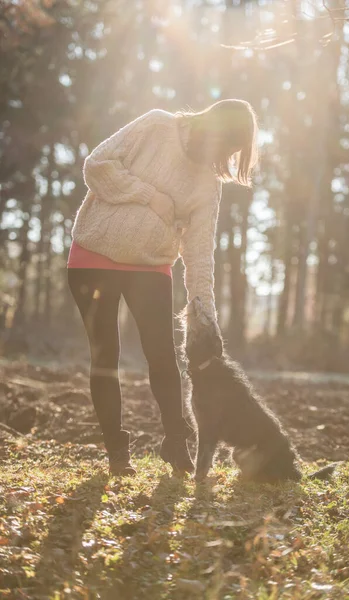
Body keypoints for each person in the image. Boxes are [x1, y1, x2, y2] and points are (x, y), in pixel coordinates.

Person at [67, 98, 258, 476]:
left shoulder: (208, 184)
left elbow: (200, 254)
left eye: (231, 152)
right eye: (225, 145)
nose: (222, 156)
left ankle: (175, 444)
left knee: (163, 359)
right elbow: (97, 165)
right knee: (105, 357)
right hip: (94, 255)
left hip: (151, 266)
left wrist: (206, 315)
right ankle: (117, 455)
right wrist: (151, 197)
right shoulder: (156, 125)